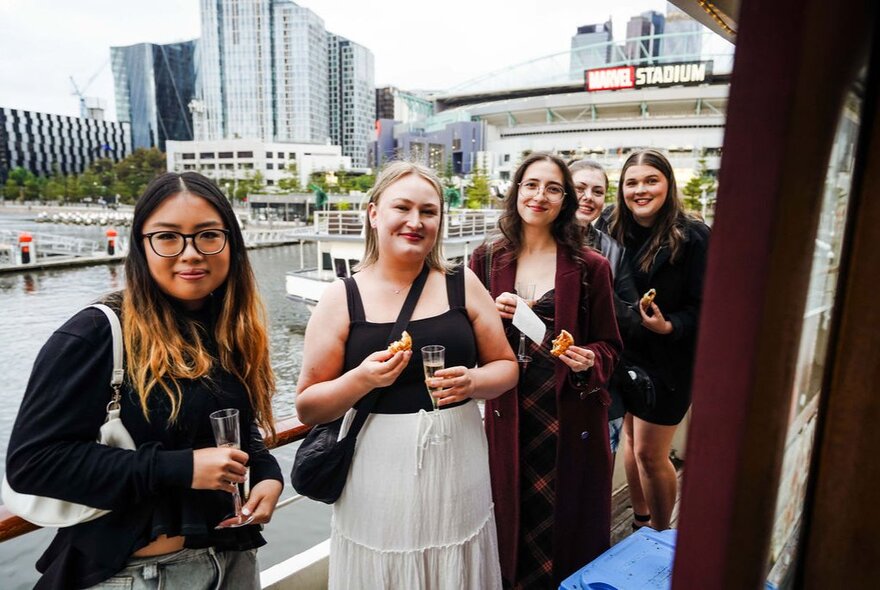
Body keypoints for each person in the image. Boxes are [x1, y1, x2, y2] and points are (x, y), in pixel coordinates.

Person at [5, 172, 283, 589]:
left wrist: (266, 471)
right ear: (141, 246)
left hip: (234, 559)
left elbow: (237, 429)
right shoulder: (96, 333)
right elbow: (33, 464)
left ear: (231, 243)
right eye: (168, 237)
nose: (190, 253)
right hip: (141, 575)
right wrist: (180, 467)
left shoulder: (230, 329)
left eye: (208, 235)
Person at [295, 161, 518, 589]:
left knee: (457, 563)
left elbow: (506, 368)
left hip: (460, 467)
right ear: (374, 213)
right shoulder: (341, 297)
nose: (416, 222)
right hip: (378, 477)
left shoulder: (462, 282)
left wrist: (472, 383)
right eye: (403, 208)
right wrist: (361, 379)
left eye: (429, 212)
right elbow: (307, 405)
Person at [469, 153, 622, 588]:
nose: (540, 196)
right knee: (510, 524)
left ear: (566, 200)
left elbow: (611, 346)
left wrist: (591, 359)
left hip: (569, 416)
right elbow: (469, 340)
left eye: (553, 188)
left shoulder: (592, 267)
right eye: (531, 184)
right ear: (516, 190)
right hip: (508, 413)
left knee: (568, 531)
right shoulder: (486, 260)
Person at [607, 149, 710, 532]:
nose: (640, 189)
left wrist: (670, 326)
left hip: (671, 360)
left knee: (651, 453)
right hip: (627, 353)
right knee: (632, 443)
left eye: (651, 180)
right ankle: (641, 522)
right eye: (631, 182)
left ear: (668, 184)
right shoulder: (612, 227)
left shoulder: (694, 236)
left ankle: (661, 536)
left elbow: (708, 304)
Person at [569, 159, 641, 456]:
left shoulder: (613, 251)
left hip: (600, 386)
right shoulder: (537, 244)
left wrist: (597, 283)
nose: (589, 197)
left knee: (592, 489)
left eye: (598, 191)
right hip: (545, 388)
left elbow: (633, 318)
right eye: (580, 188)